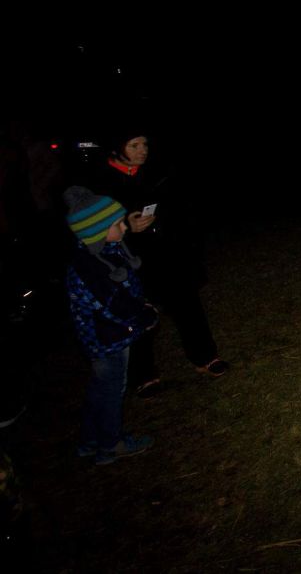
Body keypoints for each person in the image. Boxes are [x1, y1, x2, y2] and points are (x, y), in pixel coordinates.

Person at [93, 128, 226, 396]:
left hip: (168, 252)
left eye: (144, 144)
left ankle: (205, 356)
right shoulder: (101, 182)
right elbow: (91, 227)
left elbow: (181, 206)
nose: (142, 150)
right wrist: (127, 227)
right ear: (117, 148)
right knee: (138, 313)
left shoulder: (156, 172)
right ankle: (143, 374)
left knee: (188, 305)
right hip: (130, 260)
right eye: (134, 145)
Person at [63, 186, 157, 465]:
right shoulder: (92, 267)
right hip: (107, 340)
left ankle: (90, 440)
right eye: (118, 224)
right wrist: (144, 315)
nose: (124, 228)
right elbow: (114, 304)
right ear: (97, 231)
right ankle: (110, 444)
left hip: (106, 338)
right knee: (112, 390)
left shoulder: (104, 250)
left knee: (100, 388)